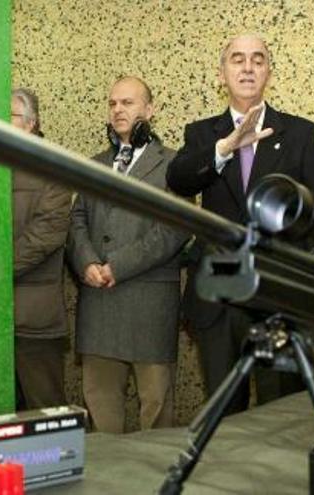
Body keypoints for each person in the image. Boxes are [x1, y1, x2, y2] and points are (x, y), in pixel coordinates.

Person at [166, 34, 314, 413]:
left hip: (280, 298)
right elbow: (178, 179)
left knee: (280, 418)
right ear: (222, 73)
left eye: (257, 60)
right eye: (237, 59)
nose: (247, 67)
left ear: (269, 72)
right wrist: (225, 148)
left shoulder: (302, 133)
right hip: (218, 297)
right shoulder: (202, 134)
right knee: (223, 419)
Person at [67, 76, 188, 433]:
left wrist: (118, 266)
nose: (118, 110)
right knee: (101, 406)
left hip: (149, 305)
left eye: (128, 103)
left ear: (149, 110)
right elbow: (76, 219)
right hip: (98, 304)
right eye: (113, 103)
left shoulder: (174, 165)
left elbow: (175, 228)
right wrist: (87, 261)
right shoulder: (95, 164)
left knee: (156, 409)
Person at [10, 88, 72, 409]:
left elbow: (46, 235)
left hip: (33, 319)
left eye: (10, 115)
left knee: (45, 414)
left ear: (31, 123)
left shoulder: (52, 167)